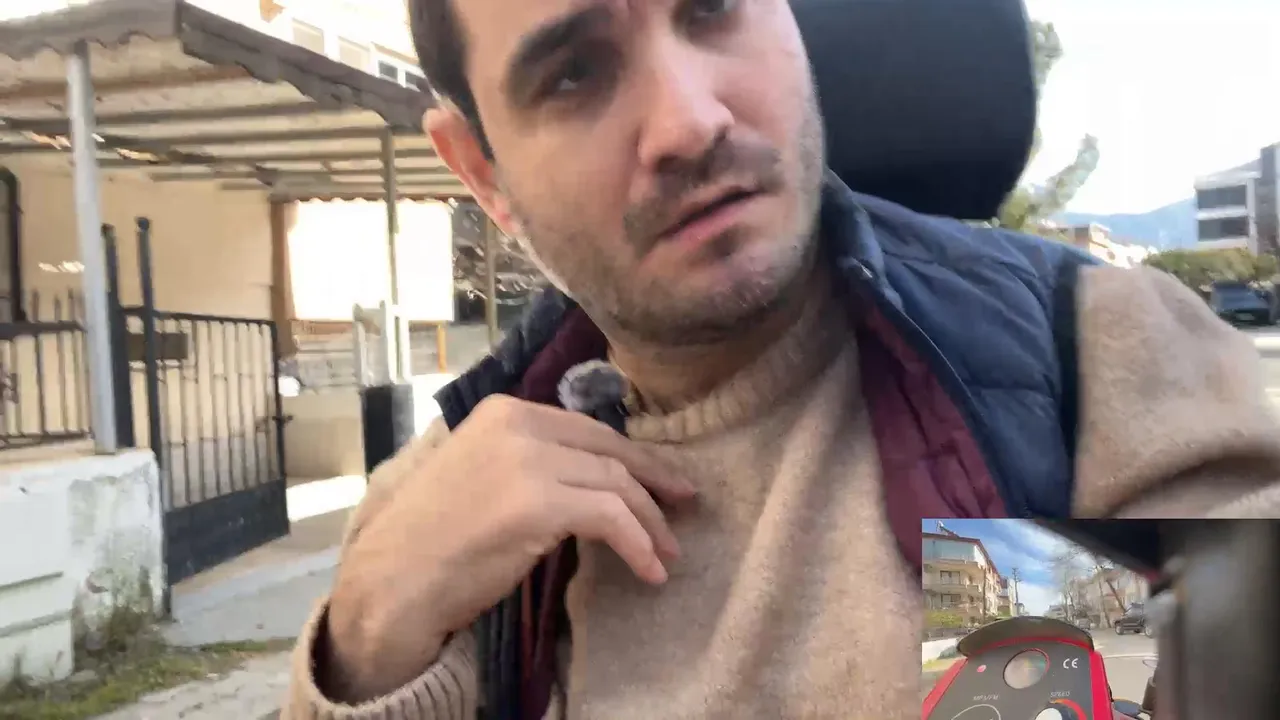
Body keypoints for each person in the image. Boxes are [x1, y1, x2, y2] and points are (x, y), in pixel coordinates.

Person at [283, 0, 1280, 718]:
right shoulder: (441, 506)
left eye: (711, 9)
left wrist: (1046, 623)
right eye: (575, 73)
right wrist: (366, 644)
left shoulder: (1081, 364)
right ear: (482, 172)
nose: (689, 122)